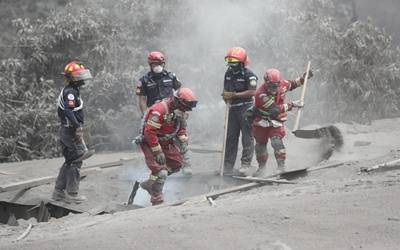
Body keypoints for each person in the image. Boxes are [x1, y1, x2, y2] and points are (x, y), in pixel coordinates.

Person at [135, 51, 193, 175]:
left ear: (164, 63)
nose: (158, 66)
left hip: (173, 112)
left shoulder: (171, 77)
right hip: (156, 115)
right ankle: (159, 169)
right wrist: (145, 115)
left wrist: (182, 109)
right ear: (150, 64)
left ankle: (186, 165)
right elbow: (142, 100)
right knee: (154, 139)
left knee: (181, 137)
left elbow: (180, 91)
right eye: (155, 64)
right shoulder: (144, 80)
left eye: (160, 64)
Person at [247, 68, 313, 176]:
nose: (274, 89)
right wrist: (292, 105)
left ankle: (281, 167)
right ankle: (261, 169)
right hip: (261, 121)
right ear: (266, 83)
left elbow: (293, 84)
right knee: (260, 145)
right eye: (271, 86)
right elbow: (274, 110)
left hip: (276, 121)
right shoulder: (260, 94)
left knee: (276, 141)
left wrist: (304, 78)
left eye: (276, 86)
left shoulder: (282, 84)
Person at [139, 87, 198, 205]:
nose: (184, 110)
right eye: (183, 107)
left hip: (167, 142)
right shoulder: (159, 110)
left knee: (176, 165)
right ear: (176, 101)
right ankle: (157, 200)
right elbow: (149, 132)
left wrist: (182, 137)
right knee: (162, 172)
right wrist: (157, 151)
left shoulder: (180, 111)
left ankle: (151, 182)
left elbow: (181, 127)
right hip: (151, 143)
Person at [52, 61, 95, 203]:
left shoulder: (73, 91)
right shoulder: (70, 92)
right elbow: (68, 111)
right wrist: (78, 126)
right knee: (76, 161)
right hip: (69, 131)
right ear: (73, 78)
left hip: (68, 130)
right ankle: (72, 194)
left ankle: (58, 192)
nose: (82, 79)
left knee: (70, 161)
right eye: (79, 76)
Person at [222, 47, 258, 175]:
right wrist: (225, 97)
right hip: (232, 109)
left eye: (234, 62)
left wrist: (234, 95)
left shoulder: (250, 75)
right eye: (230, 62)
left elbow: (253, 92)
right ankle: (227, 166)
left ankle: (245, 165)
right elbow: (226, 91)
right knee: (231, 137)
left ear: (242, 62)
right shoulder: (228, 73)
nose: (231, 65)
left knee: (247, 137)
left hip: (246, 108)